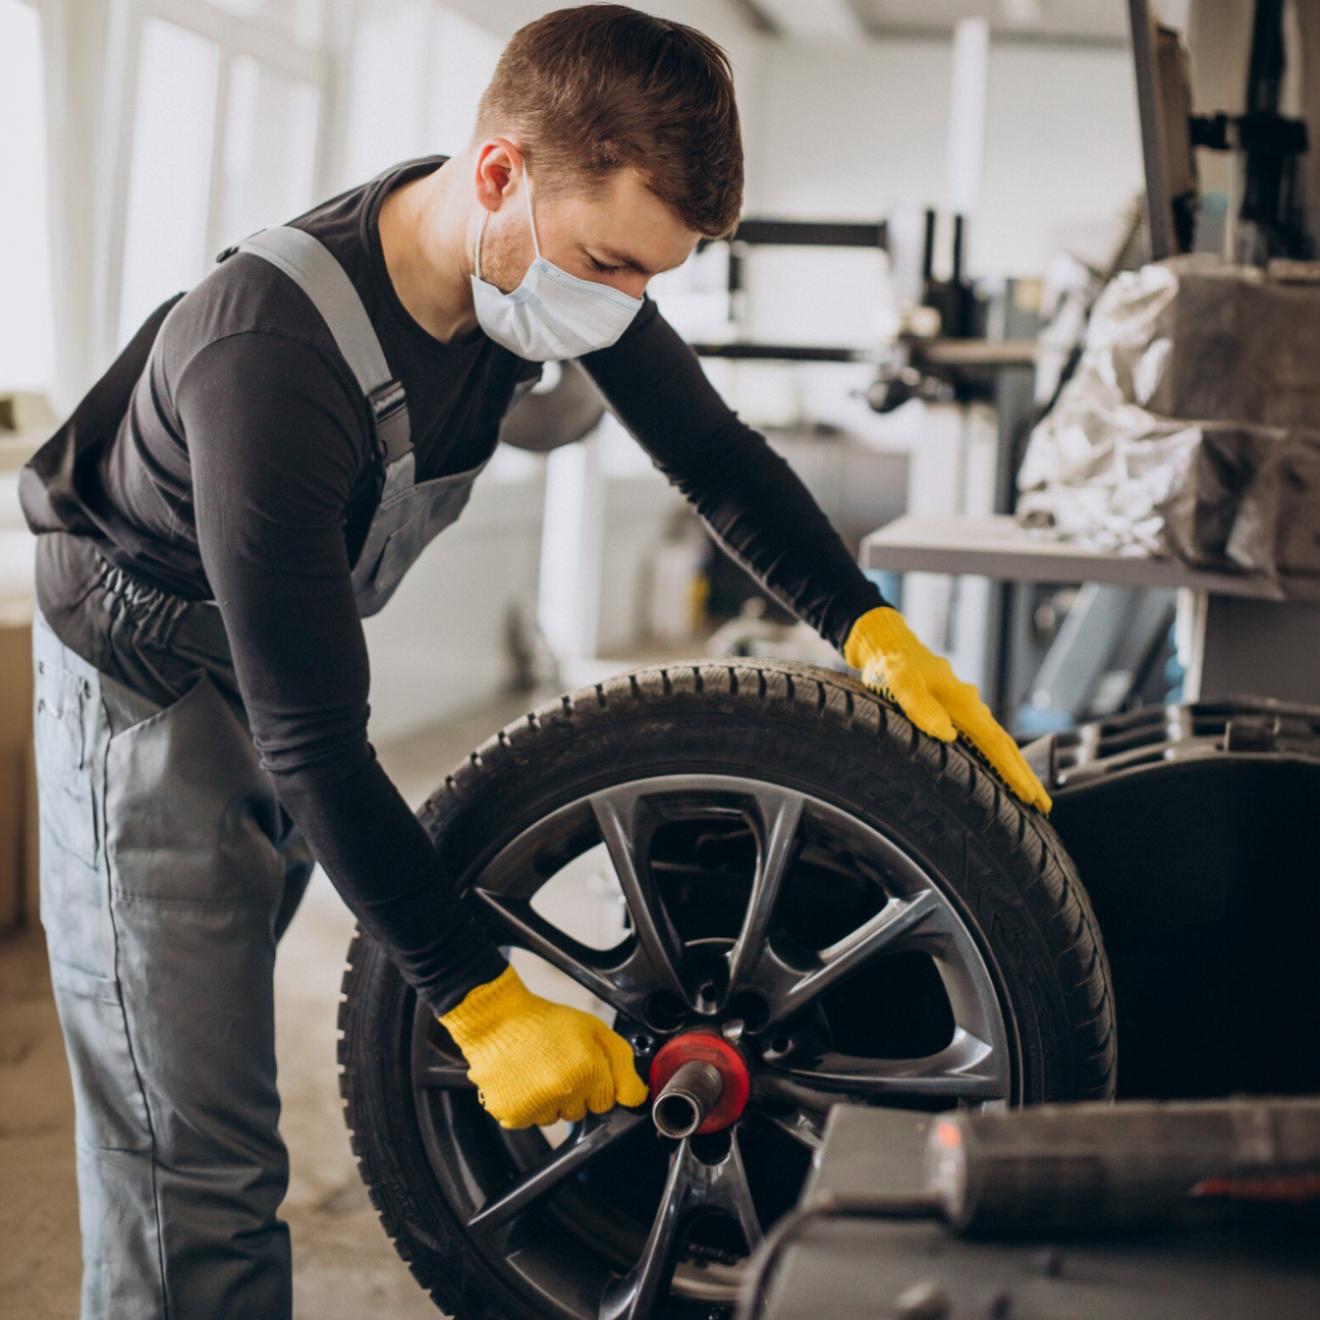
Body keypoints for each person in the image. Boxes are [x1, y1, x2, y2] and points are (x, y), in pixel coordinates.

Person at [21, 5, 1052, 1317]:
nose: (624, 307)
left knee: (217, 1054)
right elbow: (319, 747)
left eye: (651, 280)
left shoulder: (534, 277)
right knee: (195, 1166)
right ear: (500, 172)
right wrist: (479, 1000)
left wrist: (871, 628)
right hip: (146, 700)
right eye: (611, 262)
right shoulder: (268, 360)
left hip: (272, 669)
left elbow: (719, 460)